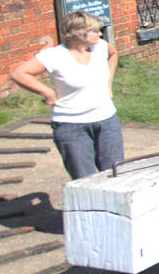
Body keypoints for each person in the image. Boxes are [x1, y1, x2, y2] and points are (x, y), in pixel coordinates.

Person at [8, 10, 123, 180]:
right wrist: (47, 92)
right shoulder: (55, 55)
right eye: (95, 31)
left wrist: (109, 81)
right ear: (79, 34)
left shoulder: (100, 47)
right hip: (71, 125)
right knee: (85, 180)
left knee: (116, 174)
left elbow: (113, 54)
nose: (100, 33)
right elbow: (19, 74)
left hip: (107, 121)